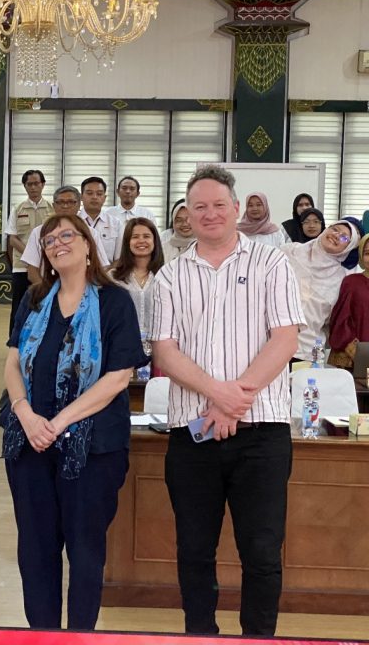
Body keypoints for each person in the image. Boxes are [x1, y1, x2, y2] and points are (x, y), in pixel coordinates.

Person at [151, 165, 304, 637]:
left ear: (236, 210)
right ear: (187, 215)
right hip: (192, 436)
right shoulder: (169, 276)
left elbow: (285, 339)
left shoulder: (272, 263)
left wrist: (231, 401)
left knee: (261, 551)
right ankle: (202, 634)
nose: (210, 213)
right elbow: (164, 350)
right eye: (200, 207)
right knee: (194, 551)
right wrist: (217, 394)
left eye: (219, 205)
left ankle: (258, 638)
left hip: (263, 434)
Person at [1, 214, 144, 630]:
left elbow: (120, 375)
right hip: (30, 445)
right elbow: (13, 361)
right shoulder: (33, 299)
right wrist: (26, 414)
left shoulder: (113, 301)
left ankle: (80, 637)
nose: (58, 244)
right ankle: (42, 637)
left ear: (87, 244)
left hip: (92, 448)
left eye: (67, 235)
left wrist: (58, 422)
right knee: (36, 552)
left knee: (84, 553)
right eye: (49, 240)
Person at [281, 220, 359, 362]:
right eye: (335, 229)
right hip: (270, 344)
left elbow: (332, 321)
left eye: (344, 238)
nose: (336, 235)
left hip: (306, 352)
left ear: (348, 248)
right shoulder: (288, 252)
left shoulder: (341, 279)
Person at [20, 186, 110, 288]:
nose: (65, 206)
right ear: (54, 206)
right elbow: (32, 272)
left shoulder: (91, 233)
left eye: (71, 202)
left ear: (78, 205)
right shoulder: (38, 232)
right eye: (61, 202)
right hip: (48, 291)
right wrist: (48, 294)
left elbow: (101, 267)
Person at [4, 169, 54, 334]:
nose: (33, 187)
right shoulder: (17, 209)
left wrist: (43, 257)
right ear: (24, 186)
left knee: (45, 301)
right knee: (19, 303)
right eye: (29, 184)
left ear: (43, 185)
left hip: (48, 266)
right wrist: (32, 255)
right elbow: (12, 239)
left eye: (36, 183)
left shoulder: (52, 209)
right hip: (22, 266)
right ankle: (15, 338)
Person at [110, 218, 164, 337]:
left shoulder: (166, 275)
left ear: (155, 241)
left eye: (146, 236)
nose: (141, 241)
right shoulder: (113, 277)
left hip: (160, 346)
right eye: (135, 237)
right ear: (127, 242)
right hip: (123, 346)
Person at [327, 235, 369, 369]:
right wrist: (356, 351)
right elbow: (340, 318)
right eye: (368, 253)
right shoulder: (351, 282)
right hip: (353, 355)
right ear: (361, 256)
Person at [79, 177, 123, 262]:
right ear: (81, 197)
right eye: (89, 193)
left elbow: (119, 258)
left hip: (106, 273)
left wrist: (106, 273)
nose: (94, 197)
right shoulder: (74, 222)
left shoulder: (115, 224)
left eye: (99, 194)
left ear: (104, 198)